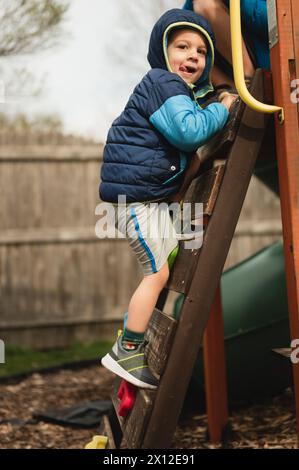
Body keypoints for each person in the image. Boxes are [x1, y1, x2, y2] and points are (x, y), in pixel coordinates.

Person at [99, 8, 236, 389]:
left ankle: (133, 332)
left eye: (202, 51)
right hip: (136, 199)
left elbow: (186, 149)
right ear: (163, 51)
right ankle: (127, 348)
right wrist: (221, 109)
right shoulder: (162, 83)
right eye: (182, 46)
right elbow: (189, 133)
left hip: (148, 197)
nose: (192, 56)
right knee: (156, 272)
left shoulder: (177, 91)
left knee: (166, 260)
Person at [182, 0, 270, 87]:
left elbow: (275, 21)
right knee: (184, 38)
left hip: (265, 57)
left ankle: (249, 80)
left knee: (205, 5)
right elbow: (183, 24)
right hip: (224, 73)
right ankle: (226, 89)